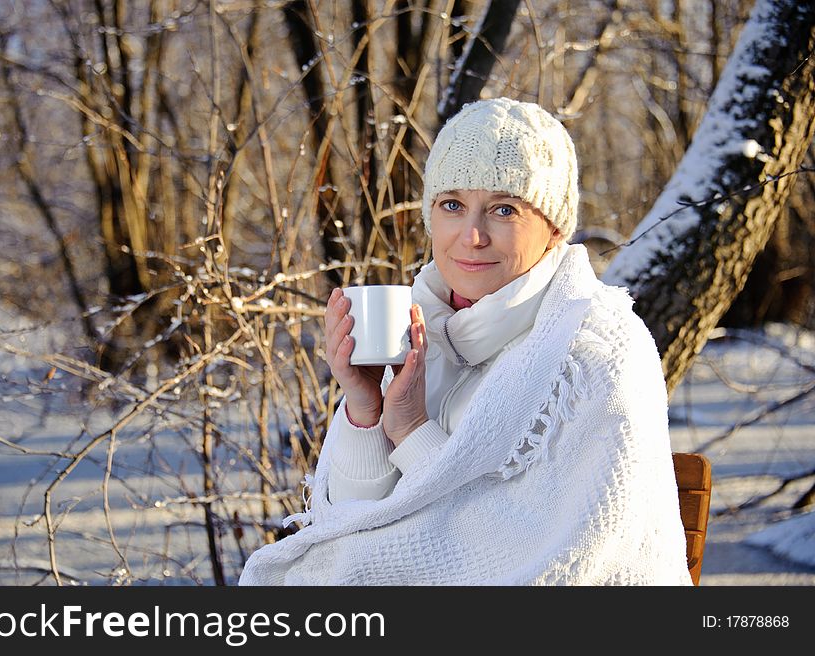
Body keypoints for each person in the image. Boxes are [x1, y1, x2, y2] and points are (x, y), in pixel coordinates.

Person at [238, 97, 692, 585]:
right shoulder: (411, 325)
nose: (472, 235)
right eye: (452, 205)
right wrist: (365, 409)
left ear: (555, 227)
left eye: (503, 209)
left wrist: (412, 431)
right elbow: (349, 525)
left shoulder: (595, 351)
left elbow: (532, 561)